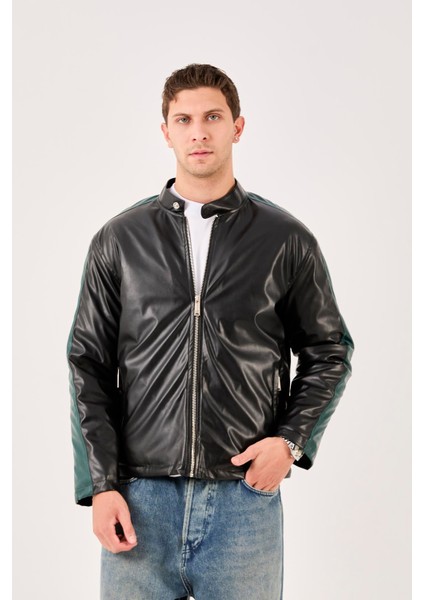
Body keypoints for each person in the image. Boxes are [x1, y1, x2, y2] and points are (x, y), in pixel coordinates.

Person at [67, 63, 354, 600]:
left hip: (243, 500)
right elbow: (88, 364)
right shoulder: (119, 239)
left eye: (213, 117)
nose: (198, 132)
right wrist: (101, 485)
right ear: (166, 132)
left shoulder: (285, 239)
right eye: (184, 119)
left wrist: (290, 442)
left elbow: (328, 351)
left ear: (237, 127)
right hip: (139, 498)